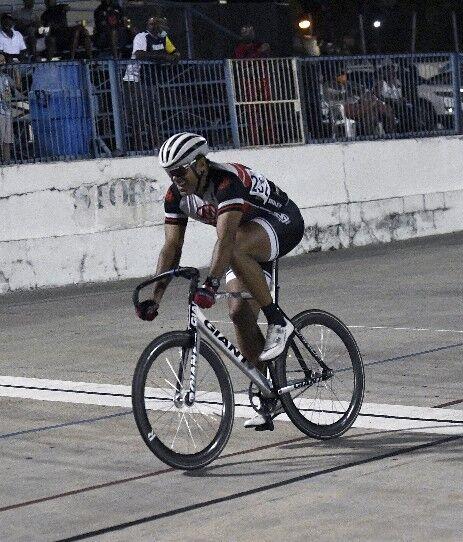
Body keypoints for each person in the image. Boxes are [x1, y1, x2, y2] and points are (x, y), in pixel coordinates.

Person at [136, 133, 305, 430]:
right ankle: (270, 392)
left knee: (235, 245)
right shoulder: (176, 195)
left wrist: (211, 284)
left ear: (200, 165)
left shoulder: (227, 182)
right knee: (238, 314)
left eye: (179, 171)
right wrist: (156, 297)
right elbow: (171, 248)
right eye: (169, 173)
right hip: (244, 242)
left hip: (281, 222)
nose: (174, 179)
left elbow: (226, 240)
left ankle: (278, 321)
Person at [122, 16, 178, 150]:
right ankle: (139, 145)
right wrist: (163, 57)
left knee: (154, 113)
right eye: (158, 25)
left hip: (151, 79)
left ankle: (156, 144)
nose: (162, 28)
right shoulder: (142, 37)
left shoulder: (164, 37)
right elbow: (140, 54)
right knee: (138, 114)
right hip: (135, 79)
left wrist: (174, 57)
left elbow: (174, 52)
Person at [0, 53, 16, 162]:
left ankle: (7, 163)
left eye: (3, 60)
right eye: (1, 61)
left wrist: (16, 71)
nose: (3, 63)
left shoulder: (5, 77)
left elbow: (10, 93)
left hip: (6, 111)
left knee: (7, 140)